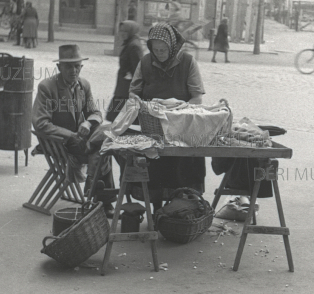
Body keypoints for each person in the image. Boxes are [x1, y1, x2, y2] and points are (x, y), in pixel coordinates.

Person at [32, 44, 117, 217]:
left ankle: (94, 189)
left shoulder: (84, 85)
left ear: (81, 67)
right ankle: (103, 201)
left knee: (109, 131)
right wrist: (72, 135)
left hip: (83, 140)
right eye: (69, 66)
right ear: (59, 67)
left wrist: (87, 123)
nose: (74, 70)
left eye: (77, 66)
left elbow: (95, 113)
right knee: (103, 148)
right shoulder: (47, 87)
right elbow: (40, 123)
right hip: (60, 143)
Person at [129, 22, 206, 211]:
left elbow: (197, 97)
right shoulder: (146, 62)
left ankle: (179, 207)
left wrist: (179, 111)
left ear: (172, 46)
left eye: (163, 49)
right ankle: (156, 207)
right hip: (152, 125)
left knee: (182, 166)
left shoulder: (187, 62)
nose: (160, 53)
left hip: (182, 126)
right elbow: (133, 92)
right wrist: (143, 106)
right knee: (154, 164)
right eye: (156, 49)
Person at [106, 20, 143, 123]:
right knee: (117, 118)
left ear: (132, 31)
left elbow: (139, 69)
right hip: (123, 88)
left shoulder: (134, 46)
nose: (122, 33)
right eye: (121, 31)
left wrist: (130, 77)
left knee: (118, 118)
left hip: (126, 90)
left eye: (126, 31)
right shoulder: (130, 43)